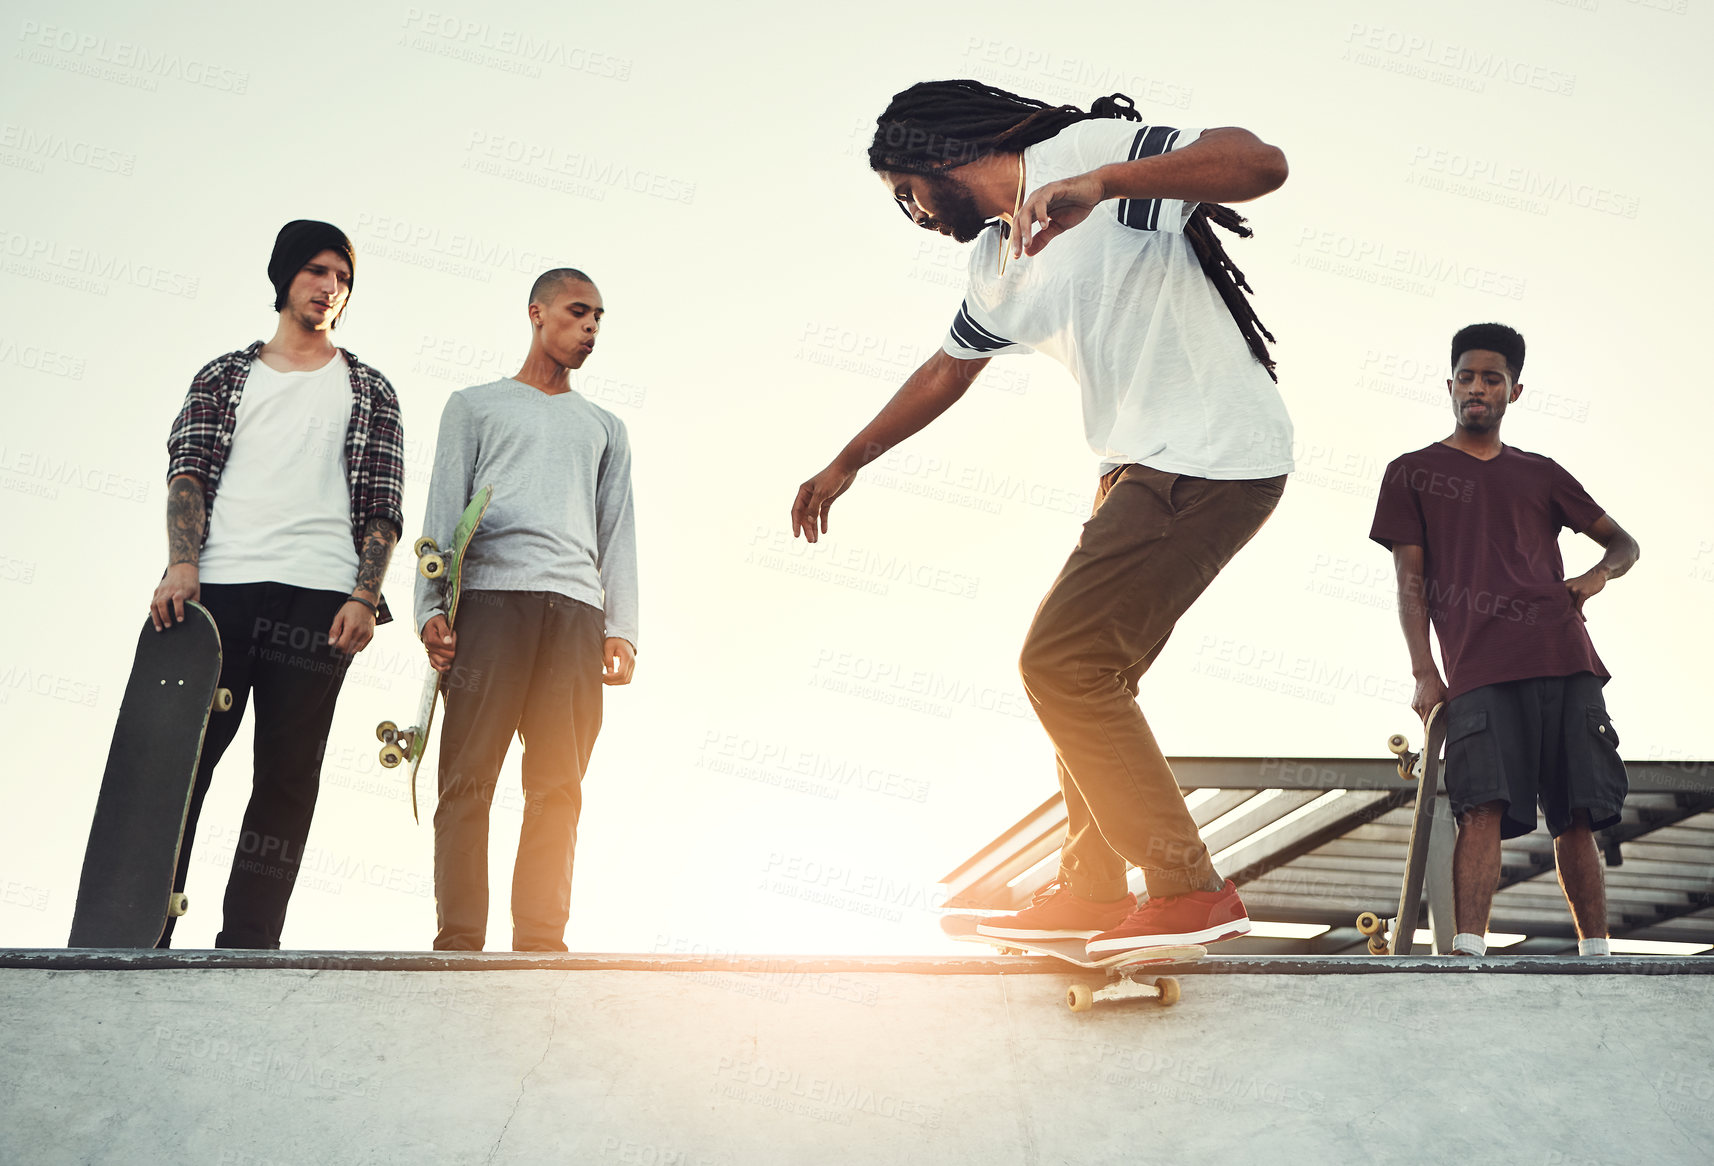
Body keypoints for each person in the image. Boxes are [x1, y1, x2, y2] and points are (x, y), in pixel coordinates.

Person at [791, 80, 1294, 958]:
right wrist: (848, 461)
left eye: (906, 192)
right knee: (1088, 678)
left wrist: (1107, 181)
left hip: (1210, 454)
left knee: (1061, 663)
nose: (909, 213)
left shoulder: (1087, 160)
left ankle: (1188, 889)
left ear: (942, 155)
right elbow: (948, 370)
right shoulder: (994, 263)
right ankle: (1094, 889)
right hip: (1138, 468)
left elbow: (1260, 162)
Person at [153, 219, 404, 948]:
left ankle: (248, 946)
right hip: (218, 593)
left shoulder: (369, 387)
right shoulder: (224, 376)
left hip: (321, 599)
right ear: (286, 276)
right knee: (182, 765)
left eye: (343, 278)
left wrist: (364, 595)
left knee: (288, 778)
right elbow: (189, 470)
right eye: (318, 272)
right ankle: (143, 926)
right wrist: (180, 564)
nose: (330, 288)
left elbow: (382, 505)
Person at [1370, 322, 1638, 957]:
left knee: (1576, 813)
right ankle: (1467, 953)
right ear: (1450, 385)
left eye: (1492, 378)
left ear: (1514, 391)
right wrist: (1422, 670)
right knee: (1479, 806)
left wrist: (1596, 577)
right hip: (1477, 668)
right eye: (1466, 377)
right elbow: (1410, 584)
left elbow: (1624, 544)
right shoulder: (1412, 472)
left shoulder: (1541, 474)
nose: (1477, 389)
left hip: (1565, 655)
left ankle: (1598, 958)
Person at [416, 267, 638, 952]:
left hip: (574, 614)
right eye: (578, 312)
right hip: (489, 604)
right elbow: (442, 507)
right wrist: (430, 607)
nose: (591, 327)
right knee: (467, 775)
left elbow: (617, 531)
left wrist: (622, 628)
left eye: (600, 316)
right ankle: (459, 942)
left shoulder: (605, 427)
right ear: (538, 313)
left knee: (558, 784)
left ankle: (542, 944)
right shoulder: (475, 407)